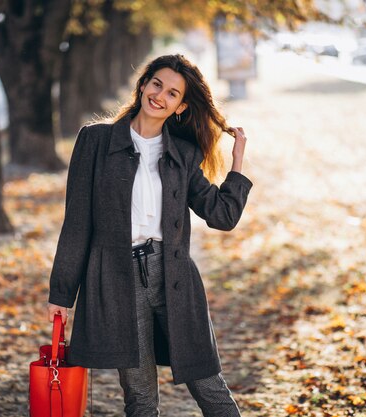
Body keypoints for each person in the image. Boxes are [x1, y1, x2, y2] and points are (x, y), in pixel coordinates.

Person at [46, 54, 252, 416]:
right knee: (140, 397)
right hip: (117, 279)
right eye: (156, 84)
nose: (160, 95)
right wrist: (62, 293)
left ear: (180, 107)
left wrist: (237, 162)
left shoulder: (184, 154)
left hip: (173, 277)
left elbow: (222, 215)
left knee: (209, 385)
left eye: (172, 93)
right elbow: (77, 222)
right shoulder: (95, 141)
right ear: (143, 84)